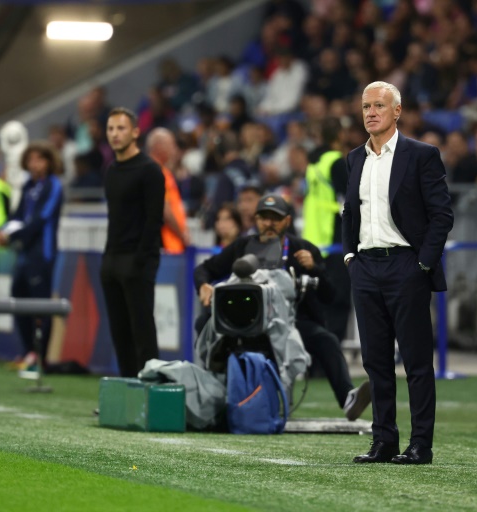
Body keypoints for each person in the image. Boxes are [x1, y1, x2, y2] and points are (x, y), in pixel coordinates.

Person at [342, 82, 453, 464]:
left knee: (417, 362)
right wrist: (349, 258)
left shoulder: (421, 155)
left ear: (397, 111)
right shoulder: (355, 158)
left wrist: (423, 263)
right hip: (366, 268)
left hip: (406, 265)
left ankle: (421, 445)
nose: (370, 112)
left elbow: (442, 214)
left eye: (378, 106)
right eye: (365, 106)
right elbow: (349, 213)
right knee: (375, 361)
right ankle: (384, 440)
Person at [194, 193, 371, 421]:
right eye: (264, 217)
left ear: (287, 221)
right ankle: (214, 397)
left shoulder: (302, 250)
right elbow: (204, 269)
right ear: (256, 220)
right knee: (204, 324)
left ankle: (348, 398)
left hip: (293, 323)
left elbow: (330, 296)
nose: (269, 223)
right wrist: (204, 286)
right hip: (248, 323)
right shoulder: (242, 247)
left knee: (326, 340)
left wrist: (315, 268)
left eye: (275, 218)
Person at [100, 107, 166, 377]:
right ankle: (126, 390)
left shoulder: (150, 170)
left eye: (121, 128)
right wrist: (108, 260)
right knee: (119, 331)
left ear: (136, 132)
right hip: (112, 259)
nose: (115, 134)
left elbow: (153, 221)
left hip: (137, 260)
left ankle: (150, 389)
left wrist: (139, 262)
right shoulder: (111, 171)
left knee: (141, 330)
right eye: (111, 129)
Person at [0, 142, 64, 370]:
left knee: (41, 305)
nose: (35, 164)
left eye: (40, 159)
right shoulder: (28, 185)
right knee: (19, 298)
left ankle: (40, 358)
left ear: (48, 161)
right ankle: (28, 352)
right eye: (31, 160)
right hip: (24, 253)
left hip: (42, 253)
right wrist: (4, 231)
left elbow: (41, 219)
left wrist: (14, 235)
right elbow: (18, 215)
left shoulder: (54, 186)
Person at [302, 117, 351, 344]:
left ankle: (317, 352)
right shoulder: (335, 162)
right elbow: (349, 199)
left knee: (319, 298)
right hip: (334, 237)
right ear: (339, 136)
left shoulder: (313, 164)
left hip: (314, 238)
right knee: (338, 299)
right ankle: (329, 352)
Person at [145, 128, 191, 254]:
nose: (174, 149)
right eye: (171, 144)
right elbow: (164, 208)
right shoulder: (154, 172)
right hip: (162, 242)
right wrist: (182, 234)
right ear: (159, 146)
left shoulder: (156, 170)